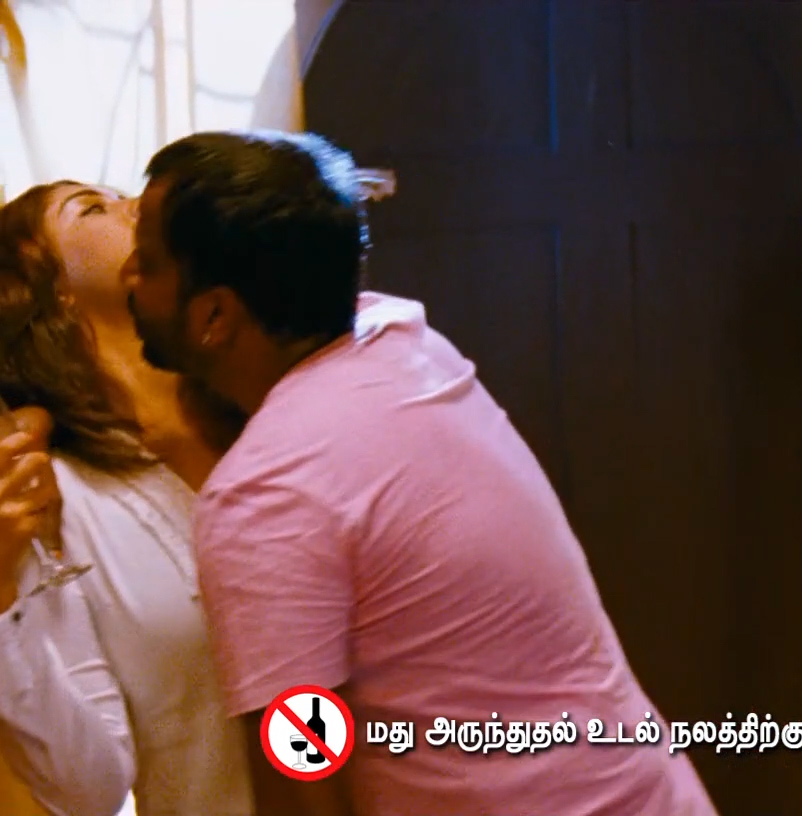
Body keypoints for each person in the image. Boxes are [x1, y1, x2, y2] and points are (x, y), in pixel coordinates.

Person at [119, 129, 716, 816]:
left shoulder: (267, 494)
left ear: (215, 315)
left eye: (147, 262)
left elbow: (303, 783)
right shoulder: (404, 341)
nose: (127, 275)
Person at [0, 180, 259, 815]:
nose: (139, 205)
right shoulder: (54, 499)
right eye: (93, 207)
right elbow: (89, 791)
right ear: (49, 286)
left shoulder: (269, 409)